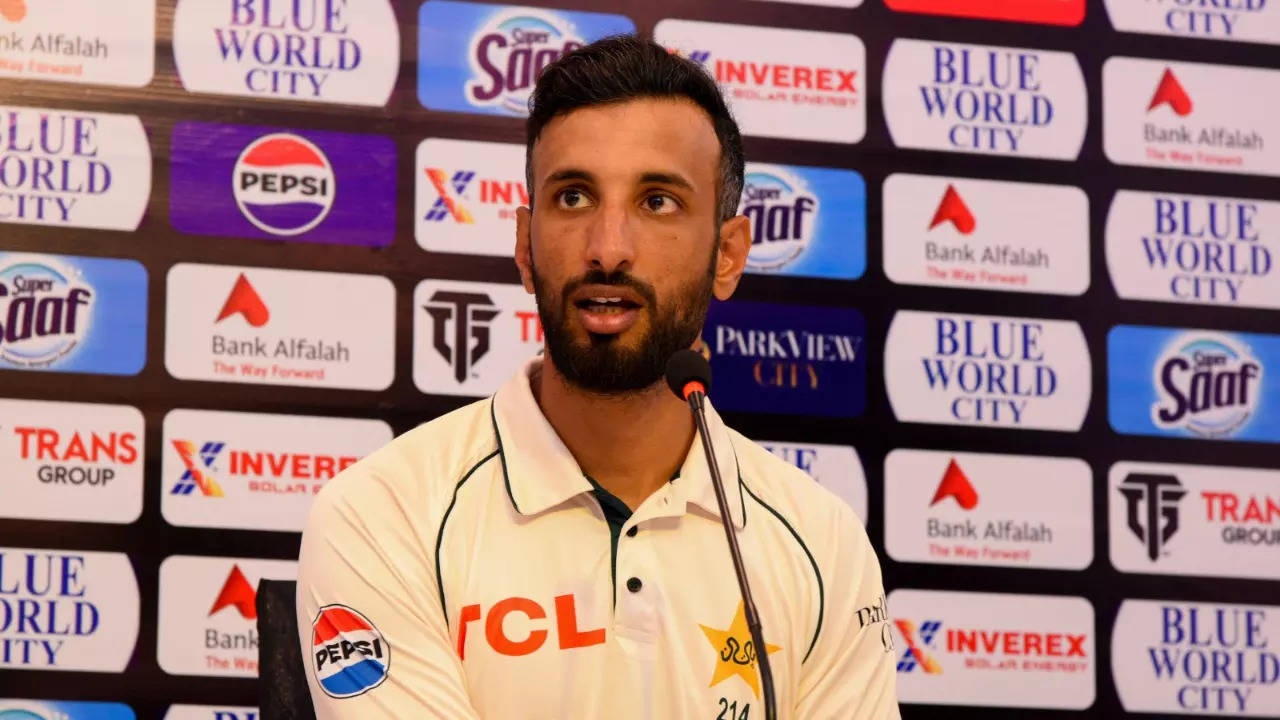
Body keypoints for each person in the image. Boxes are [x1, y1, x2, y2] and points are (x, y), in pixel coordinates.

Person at [297, 34, 899, 719]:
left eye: (658, 202)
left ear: (728, 255)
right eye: (574, 197)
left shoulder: (821, 540)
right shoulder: (385, 512)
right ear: (525, 247)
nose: (608, 249)